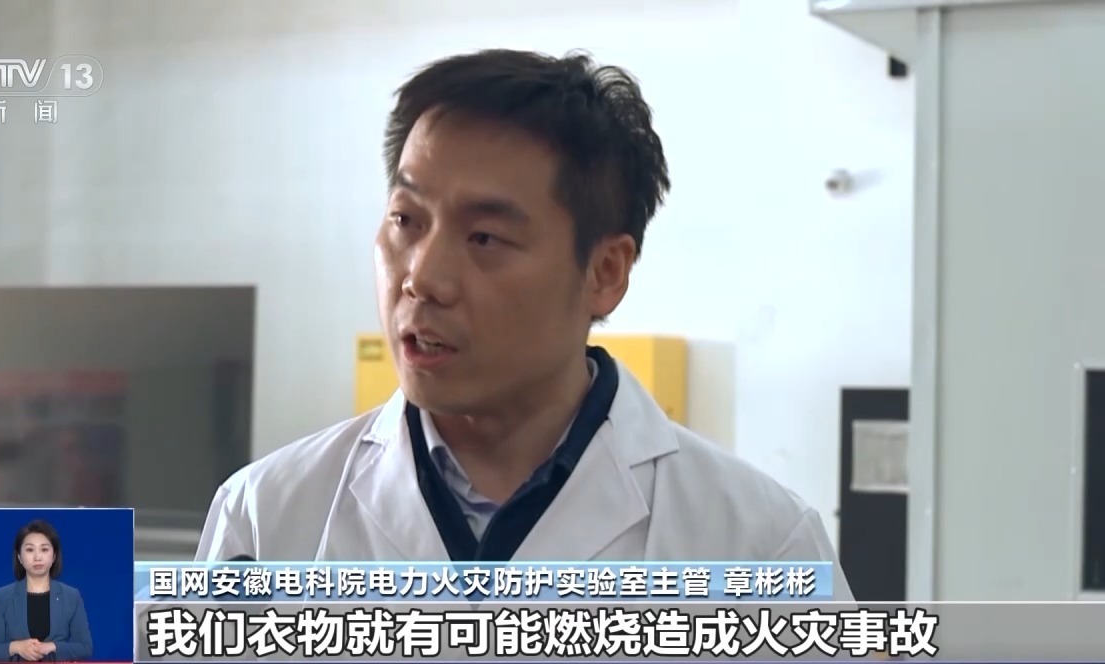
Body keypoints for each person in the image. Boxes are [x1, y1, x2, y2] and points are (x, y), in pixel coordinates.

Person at [195, 48, 853, 599]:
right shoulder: (266, 519)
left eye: (484, 237)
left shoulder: (759, 545)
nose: (422, 277)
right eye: (406, 220)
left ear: (605, 272)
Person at [0, 520, 93, 661]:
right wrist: (17, 647)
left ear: (54, 556)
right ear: (19, 557)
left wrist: (53, 646)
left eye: (44, 549)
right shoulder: (4, 596)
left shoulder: (71, 596)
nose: (37, 557)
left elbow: (85, 648)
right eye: (30, 550)